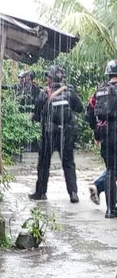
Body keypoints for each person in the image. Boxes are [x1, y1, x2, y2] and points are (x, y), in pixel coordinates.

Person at [29, 65, 83, 203]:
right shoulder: (69, 92)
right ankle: (73, 193)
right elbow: (79, 108)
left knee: (44, 163)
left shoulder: (44, 93)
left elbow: (36, 115)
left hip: (49, 134)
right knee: (68, 163)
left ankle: (41, 193)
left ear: (49, 78)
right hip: (67, 133)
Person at [85, 59, 117, 217]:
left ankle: (110, 210)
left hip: (106, 135)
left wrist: (96, 132)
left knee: (111, 170)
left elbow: (89, 113)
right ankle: (99, 187)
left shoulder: (100, 91)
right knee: (113, 171)